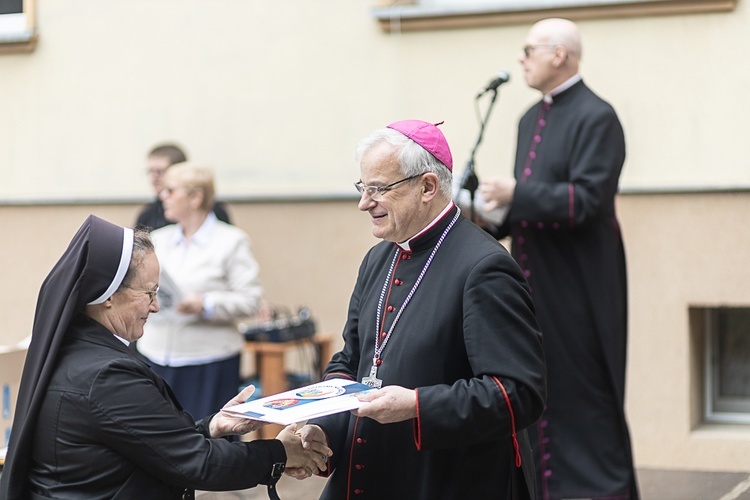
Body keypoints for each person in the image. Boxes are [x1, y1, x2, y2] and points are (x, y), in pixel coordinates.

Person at [294, 119, 547, 499]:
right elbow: (351, 361)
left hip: (447, 480)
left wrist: (416, 405)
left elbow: (518, 393)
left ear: (427, 186)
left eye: (379, 189)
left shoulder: (484, 267)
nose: (365, 203)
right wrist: (323, 429)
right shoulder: (377, 259)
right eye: (364, 188)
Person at [0, 215, 331, 499]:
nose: (156, 306)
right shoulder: (105, 375)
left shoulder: (82, 353)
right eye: (149, 293)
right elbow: (197, 463)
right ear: (109, 296)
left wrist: (214, 426)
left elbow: (149, 443)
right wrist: (281, 452)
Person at [478, 18, 638, 500]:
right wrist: (488, 214)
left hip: (580, 284)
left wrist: (517, 193)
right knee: (536, 388)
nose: (522, 58)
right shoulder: (529, 118)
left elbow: (588, 200)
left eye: (529, 49)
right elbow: (524, 209)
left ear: (560, 56)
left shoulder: (598, 116)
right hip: (532, 280)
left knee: (584, 392)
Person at [136, 162, 263, 420]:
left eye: (171, 190)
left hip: (208, 360)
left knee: (209, 440)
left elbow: (250, 300)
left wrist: (206, 304)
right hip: (156, 355)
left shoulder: (230, 240)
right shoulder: (158, 239)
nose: (163, 196)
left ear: (195, 197)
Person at [136, 143, 231, 231]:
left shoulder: (213, 210)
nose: (154, 178)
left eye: (160, 172)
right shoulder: (148, 214)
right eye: (150, 172)